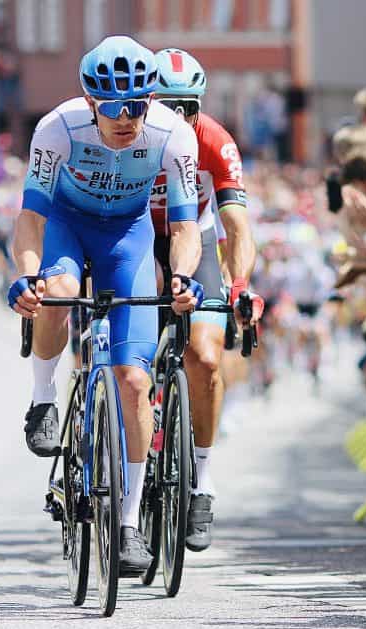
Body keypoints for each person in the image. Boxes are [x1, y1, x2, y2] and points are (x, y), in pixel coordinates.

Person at [7, 36, 203, 576]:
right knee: (61, 293)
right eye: (113, 106)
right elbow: (32, 219)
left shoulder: (173, 133)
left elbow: (185, 226)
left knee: (135, 382)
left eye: (137, 105)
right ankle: (43, 399)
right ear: (91, 102)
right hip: (69, 227)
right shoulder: (56, 127)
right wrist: (27, 275)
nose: (125, 118)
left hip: (129, 238)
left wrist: (183, 275)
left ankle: (130, 521)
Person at [149, 47, 263, 552]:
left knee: (206, 357)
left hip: (195, 235)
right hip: (138, 237)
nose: (178, 118)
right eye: (167, 106)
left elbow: (237, 227)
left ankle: (201, 477)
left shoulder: (214, 140)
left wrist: (239, 287)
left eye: (188, 107)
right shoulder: (129, 135)